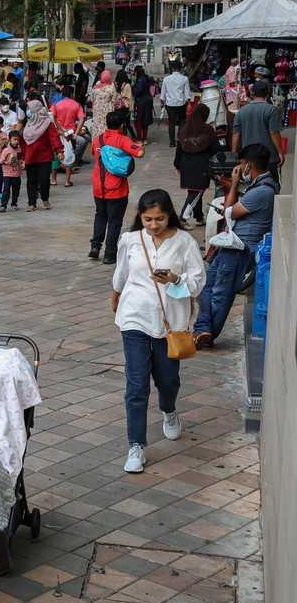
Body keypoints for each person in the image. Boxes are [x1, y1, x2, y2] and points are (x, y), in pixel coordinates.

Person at [110, 190, 205, 474]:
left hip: (170, 324)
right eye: (148, 219)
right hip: (134, 318)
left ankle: (169, 410)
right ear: (140, 216)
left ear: (169, 215)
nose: (153, 224)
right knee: (136, 385)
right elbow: (122, 273)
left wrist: (175, 278)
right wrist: (115, 293)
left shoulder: (184, 242)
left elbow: (198, 282)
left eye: (159, 219)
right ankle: (136, 446)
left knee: (168, 379)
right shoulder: (130, 240)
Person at [195, 145, 277, 348]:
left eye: (241, 164)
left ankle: (207, 335)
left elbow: (229, 211)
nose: (239, 168)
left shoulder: (263, 190)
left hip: (240, 248)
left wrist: (233, 184)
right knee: (205, 286)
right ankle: (203, 329)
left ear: (248, 165)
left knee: (221, 293)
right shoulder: (260, 186)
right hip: (231, 245)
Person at [90, 110, 144, 264]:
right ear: (121, 125)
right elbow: (139, 153)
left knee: (100, 216)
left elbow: (95, 154)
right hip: (117, 189)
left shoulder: (97, 140)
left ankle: (95, 247)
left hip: (99, 187)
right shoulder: (123, 140)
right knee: (114, 221)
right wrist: (140, 145)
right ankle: (109, 254)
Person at [174, 103, 221, 227]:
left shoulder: (184, 127)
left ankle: (199, 217)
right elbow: (216, 149)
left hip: (185, 163)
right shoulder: (207, 129)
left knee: (194, 190)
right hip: (201, 165)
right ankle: (182, 219)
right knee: (196, 192)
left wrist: (177, 164)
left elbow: (178, 148)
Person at [232, 82, 285, 182]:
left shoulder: (241, 111)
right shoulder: (271, 110)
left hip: (248, 159)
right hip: (269, 159)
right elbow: (274, 133)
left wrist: (234, 156)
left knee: (250, 188)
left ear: (253, 93)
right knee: (271, 188)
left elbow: (236, 135)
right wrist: (280, 152)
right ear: (267, 93)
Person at [20, 99, 62, 213]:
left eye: (30, 109)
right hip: (30, 157)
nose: (28, 112)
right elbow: (23, 142)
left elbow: (54, 137)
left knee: (44, 180)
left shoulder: (48, 123)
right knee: (31, 181)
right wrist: (22, 157)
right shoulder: (27, 124)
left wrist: (59, 151)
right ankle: (31, 203)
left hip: (44, 157)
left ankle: (45, 198)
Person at [50, 86, 86, 187]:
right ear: (72, 94)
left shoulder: (56, 104)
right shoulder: (76, 105)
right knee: (69, 155)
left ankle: (53, 180)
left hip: (57, 134)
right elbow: (82, 118)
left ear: (62, 94)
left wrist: (59, 129)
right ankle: (67, 181)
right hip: (70, 135)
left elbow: (51, 117)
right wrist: (76, 133)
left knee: (56, 156)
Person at [160, 60, 191, 148]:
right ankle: (180, 140)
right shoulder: (184, 78)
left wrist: (162, 102)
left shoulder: (166, 79)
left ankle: (172, 142)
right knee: (182, 122)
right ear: (180, 68)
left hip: (170, 104)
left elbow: (163, 93)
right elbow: (187, 93)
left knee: (171, 123)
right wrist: (188, 103)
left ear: (172, 68)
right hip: (181, 104)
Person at [0, 131, 25, 212]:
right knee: (6, 190)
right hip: (7, 175)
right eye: (14, 139)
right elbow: (1, 161)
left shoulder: (19, 149)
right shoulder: (6, 150)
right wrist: (8, 162)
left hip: (17, 174)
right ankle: (3, 205)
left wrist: (22, 163)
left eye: (18, 140)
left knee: (16, 190)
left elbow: (21, 160)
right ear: (9, 140)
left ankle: (14, 203)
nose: (16, 141)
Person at [132, 65, 155, 143]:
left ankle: (139, 139)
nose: (134, 74)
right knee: (146, 120)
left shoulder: (140, 80)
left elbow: (137, 91)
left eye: (134, 72)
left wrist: (133, 87)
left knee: (138, 121)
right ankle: (145, 138)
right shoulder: (147, 78)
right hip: (148, 101)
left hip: (141, 102)